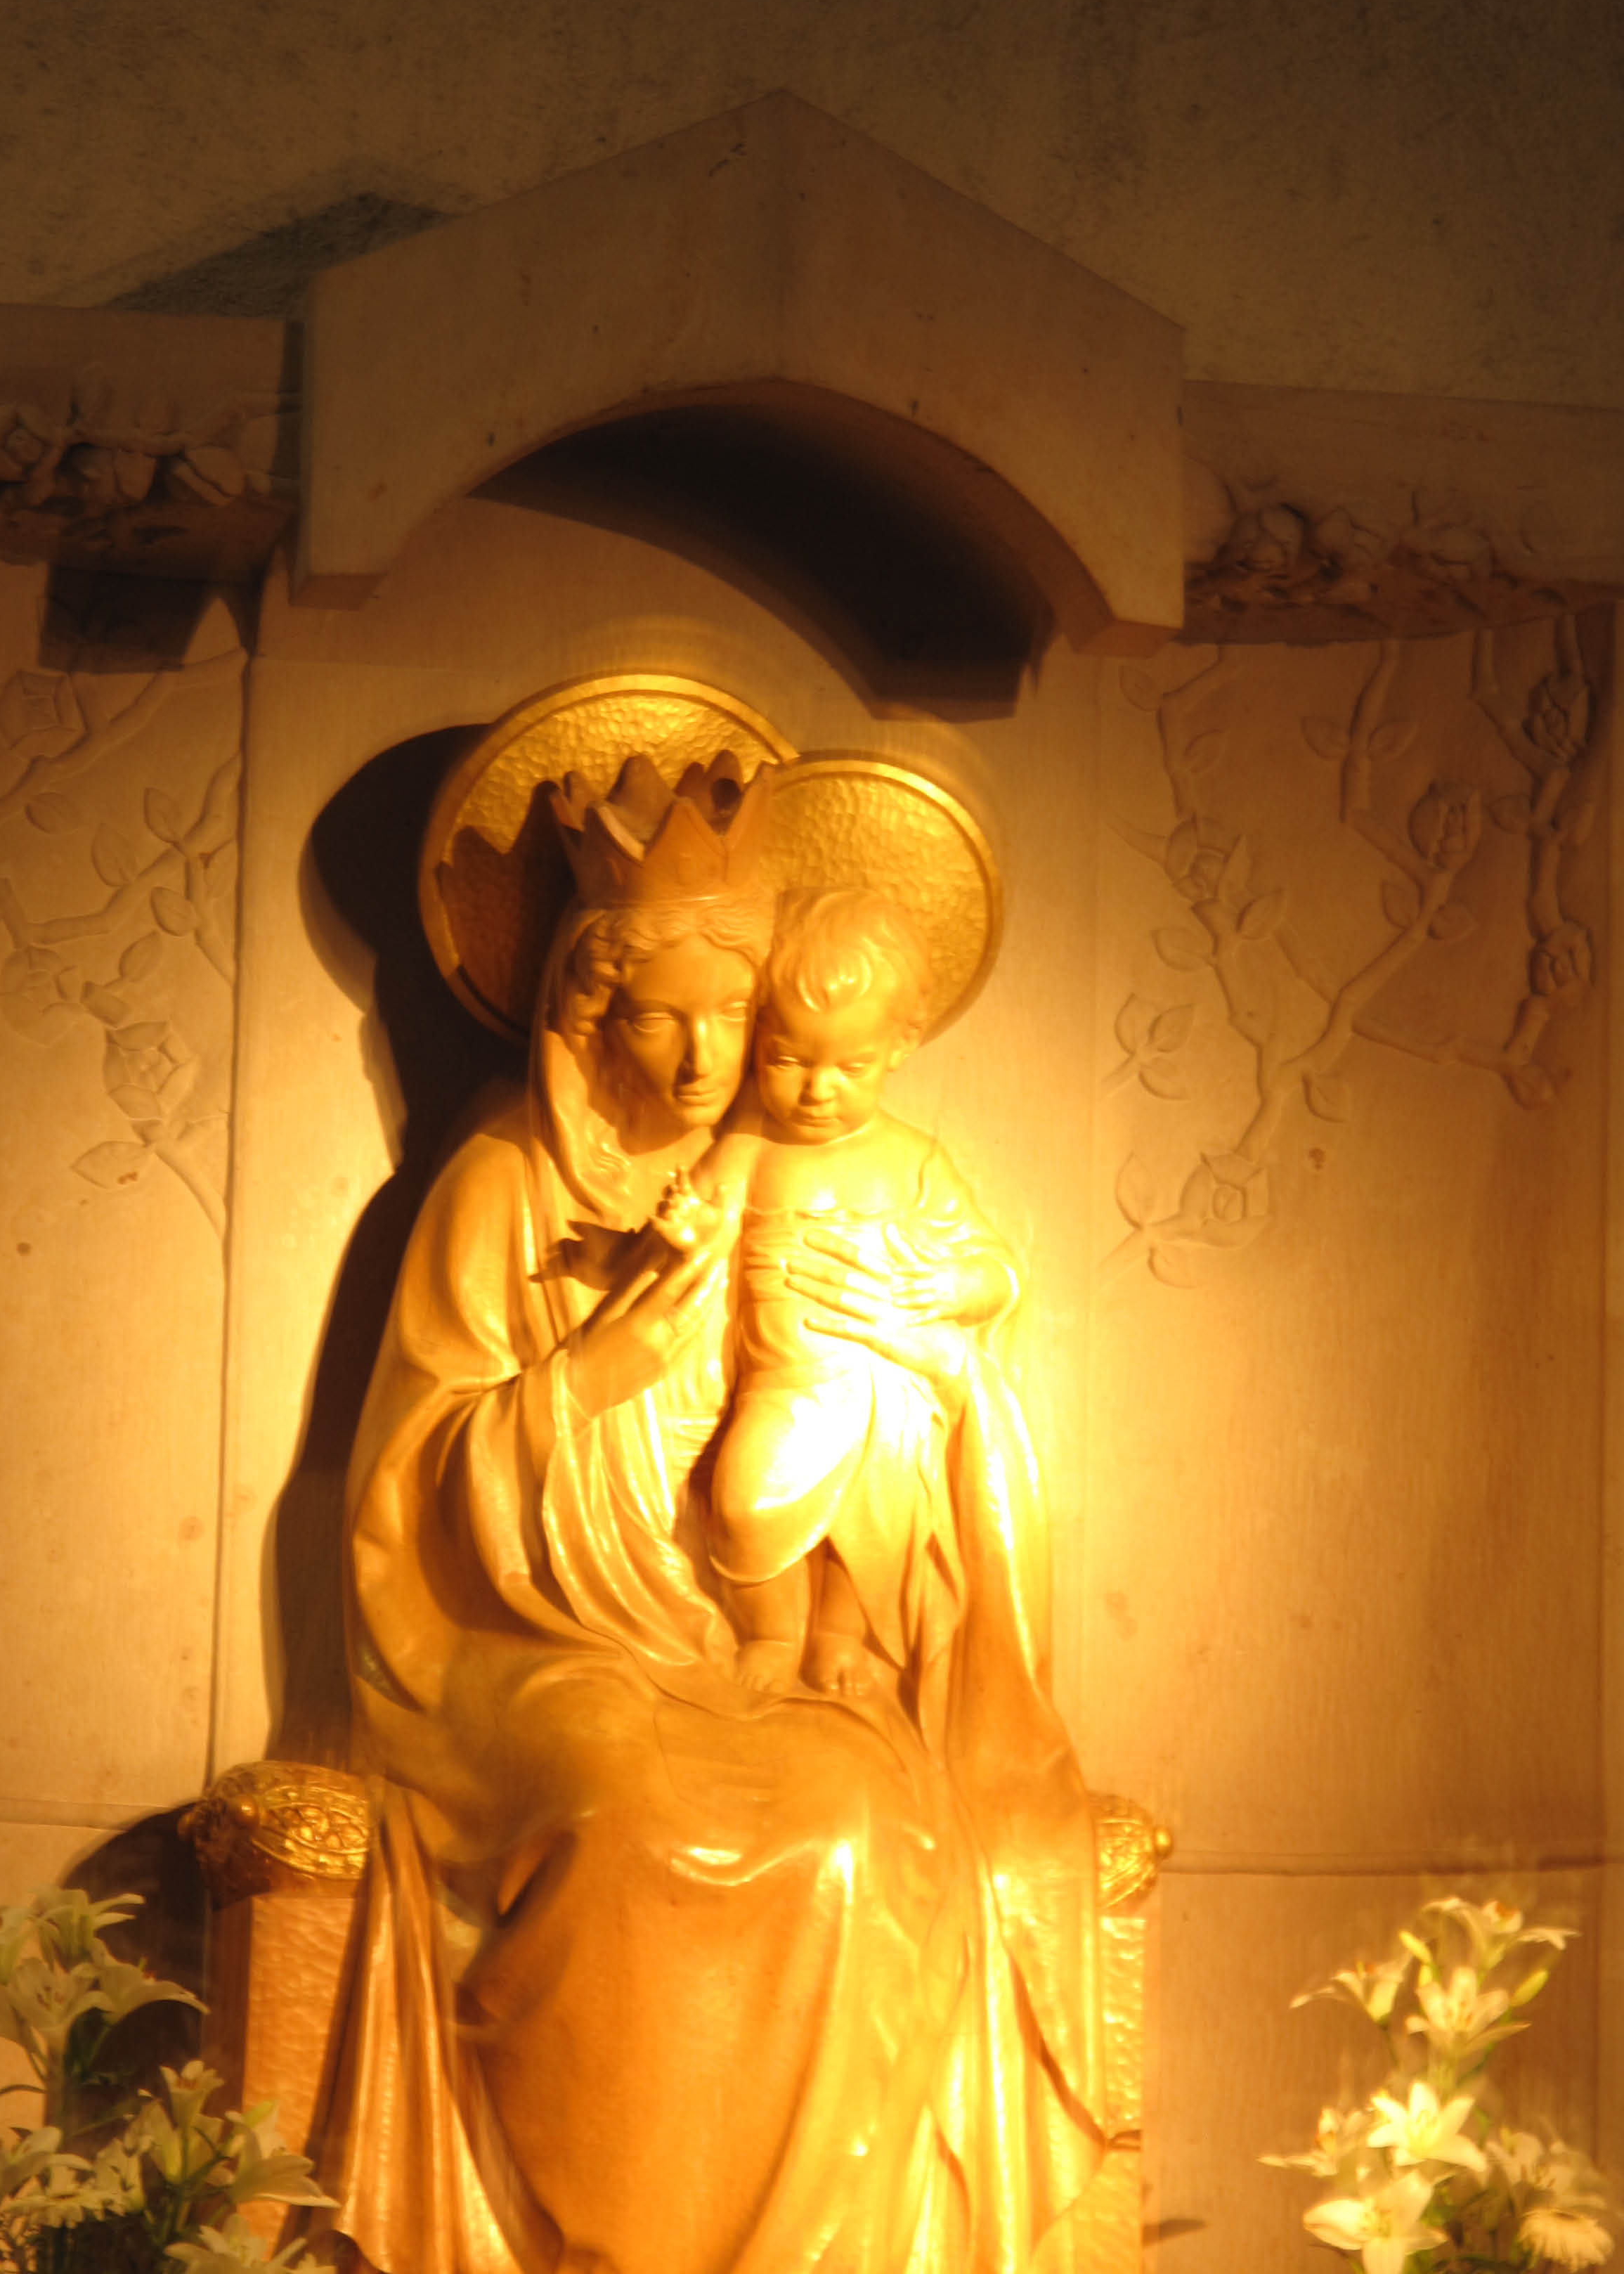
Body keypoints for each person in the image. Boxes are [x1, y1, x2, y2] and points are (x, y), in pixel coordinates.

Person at [330, 749, 1107, 2274]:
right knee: (621, 1812)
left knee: (860, 1830)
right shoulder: (501, 1184)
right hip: (533, 1647)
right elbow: (407, 1501)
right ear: (583, 1012)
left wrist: (905, 1355)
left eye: (729, 1018)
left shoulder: (809, 1174)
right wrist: (593, 1375)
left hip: (758, 1645)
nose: (699, 1062)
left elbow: (936, 1374)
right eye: (656, 1017)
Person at [658, 886, 1020, 1703]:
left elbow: (996, 1271)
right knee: (746, 1503)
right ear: (759, 1039)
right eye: (789, 1059)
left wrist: (951, 1283)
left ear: (901, 1045)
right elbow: (700, 1226)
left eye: (849, 1067)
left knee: (872, 1519)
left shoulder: (914, 1162)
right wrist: (682, 1232)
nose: (818, 1088)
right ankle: (772, 1630)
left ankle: (836, 1636)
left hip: (883, 1388)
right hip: (782, 1385)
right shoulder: (749, 1148)